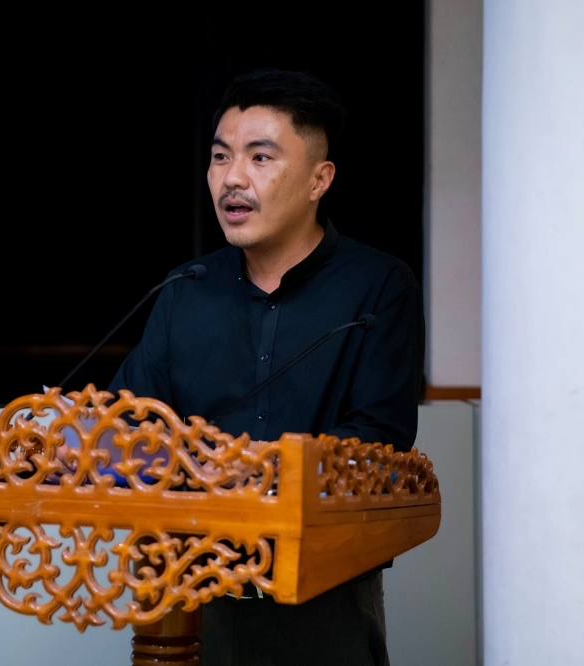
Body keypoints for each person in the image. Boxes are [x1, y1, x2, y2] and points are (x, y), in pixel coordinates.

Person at [108, 68, 424, 666]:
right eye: (220, 157)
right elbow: (127, 421)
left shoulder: (377, 286)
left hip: (323, 595)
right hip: (191, 591)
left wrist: (253, 470)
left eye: (260, 157)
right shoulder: (186, 288)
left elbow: (380, 441)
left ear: (318, 180)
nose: (232, 177)